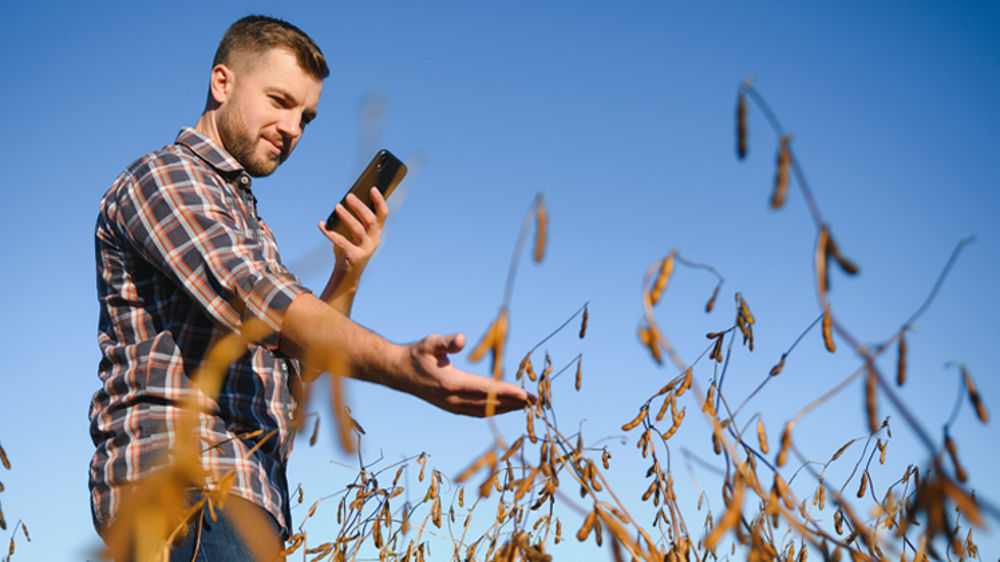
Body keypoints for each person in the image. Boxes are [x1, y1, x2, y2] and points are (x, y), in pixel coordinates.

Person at [90, 15, 532, 561]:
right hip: (184, 494)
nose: (293, 127)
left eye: (307, 117)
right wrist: (402, 367)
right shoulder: (165, 179)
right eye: (279, 100)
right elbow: (256, 297)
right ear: (222, 83)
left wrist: (348, 272)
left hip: (245, 503)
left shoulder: (247, 223)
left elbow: (295, 375)